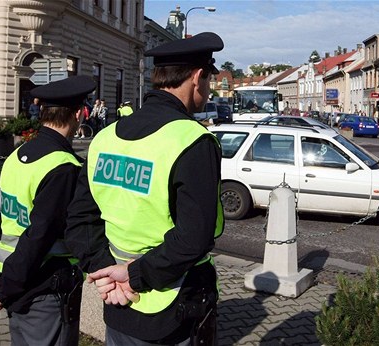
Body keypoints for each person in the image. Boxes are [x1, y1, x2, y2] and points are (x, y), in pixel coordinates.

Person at [65, 32, 225, 345]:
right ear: (197, 77)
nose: (207, 92)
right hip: (174, 306)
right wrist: (133, 276)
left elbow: (80, 221)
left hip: (117, 301)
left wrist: (105, 272)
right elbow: (195, 237)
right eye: (208, 81)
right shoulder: (192, 140)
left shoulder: (105, 138)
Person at [0, 75, 95, 346]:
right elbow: (39, 237)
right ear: (78, 114)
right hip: (44, 288)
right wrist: (3, 289)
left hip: (10, 280)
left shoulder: (17, 155)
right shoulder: (64, 166)